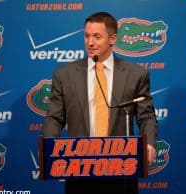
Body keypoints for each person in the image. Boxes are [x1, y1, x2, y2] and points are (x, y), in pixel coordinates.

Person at [43, 12, 158, 194]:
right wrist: (49, 146)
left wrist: (149, 143)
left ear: (112, 39)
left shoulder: (136, 74)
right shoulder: (65, 74)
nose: (90, 42)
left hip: (122, 169)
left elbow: (147, 117)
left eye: (97, 37)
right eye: (87, 36)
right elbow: (54, 117)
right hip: (79, 167)